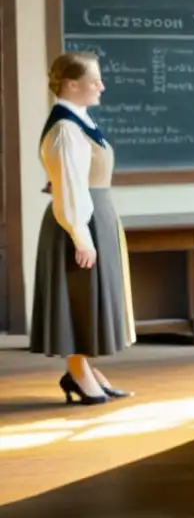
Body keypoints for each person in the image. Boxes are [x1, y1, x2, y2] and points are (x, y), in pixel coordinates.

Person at [31, 52, 135, 404]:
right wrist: (81, 235)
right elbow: (70, 187)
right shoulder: (65, 128)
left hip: (94, 217)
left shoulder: (78, 120)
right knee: (79, 298)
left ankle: (84, 369)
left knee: (87, 297)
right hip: (78, 223)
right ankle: (77, 372)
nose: (101, 86)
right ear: (71, 84)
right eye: (94, 80)